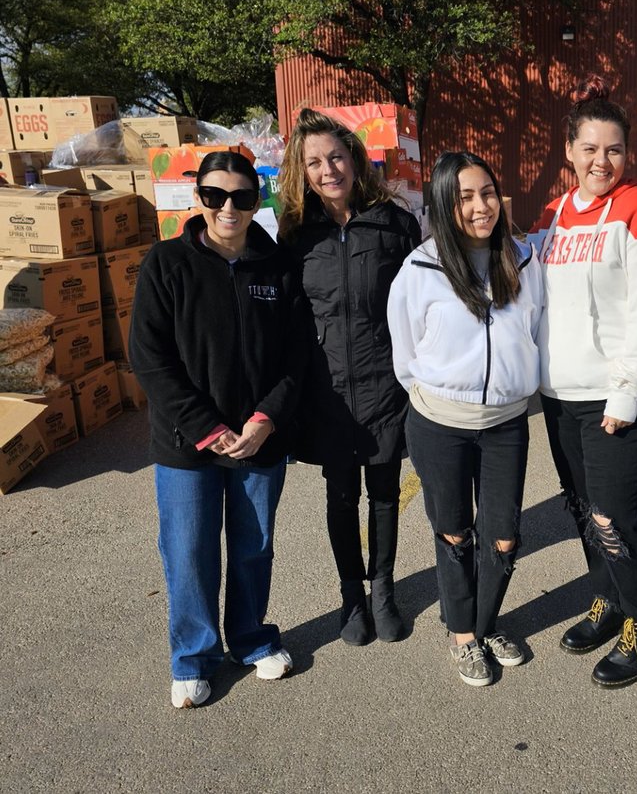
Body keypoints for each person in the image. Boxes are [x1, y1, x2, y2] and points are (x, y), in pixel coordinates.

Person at [129, 150, 310, 709]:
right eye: (215, 195)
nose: (228, 207)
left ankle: (252, 640)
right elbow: (149, 357)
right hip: (188, 445)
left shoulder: (277, 267)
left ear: (258, 202)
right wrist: (206, 427)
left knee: (253, 548)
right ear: (198, 198)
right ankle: (194, 656)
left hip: (259, 439)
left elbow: (297, 357)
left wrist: (264, 419)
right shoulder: (166, 263)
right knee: (188, 551)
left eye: (241, 197)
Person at [532, 73, 637, 688]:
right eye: (590, 149)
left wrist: (628, 390)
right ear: (568, 151)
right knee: (583, 509)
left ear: (628, 154)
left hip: (616, 396)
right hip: (559, 393)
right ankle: (609, 598)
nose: (602, 161)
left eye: (614, 149)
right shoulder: (554, 215)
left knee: (617, 516)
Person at [387, 151, 543, 687]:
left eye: (487, 193)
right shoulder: (421, 269)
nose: (481, 207)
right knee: (454, 532)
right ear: (443, 206)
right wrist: (440, 397)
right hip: (439, 424)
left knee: (502, 536)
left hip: (505, 423)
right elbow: (405, 352)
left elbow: (535, 330)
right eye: (464, 198)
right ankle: (463, 636)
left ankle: (485, 621)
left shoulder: (523, 260)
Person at [278, 108, 421, 646]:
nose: (327, 169)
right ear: (302, 170)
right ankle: (350, 596)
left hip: (385, 384)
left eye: (336, 156)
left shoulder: (394, 224)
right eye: (314, 162)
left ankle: (382, 590)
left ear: (355, 160)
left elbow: (420, 304)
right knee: (341, 496)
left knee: (384, 492)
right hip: (328, 393)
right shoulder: (295, 233)